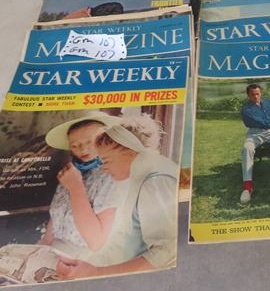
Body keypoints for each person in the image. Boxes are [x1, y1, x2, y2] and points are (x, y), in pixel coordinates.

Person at [56, 124, 178, 279]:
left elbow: (166, 253)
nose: (104, 168)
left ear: (129, 151)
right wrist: (86, 264)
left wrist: (96, 273)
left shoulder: (155, 181)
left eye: (106, 161)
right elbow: (124, 240)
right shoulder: (136, 178)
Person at [39, 115, 122, 258]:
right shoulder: (72, 172)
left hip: (86, 259)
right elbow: (56, 218)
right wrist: (40, 248)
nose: (83, 149)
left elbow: (96, 243)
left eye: (90, 141)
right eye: (75, 145)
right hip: (55, 250)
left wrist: (75, 188)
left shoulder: (114, 176)